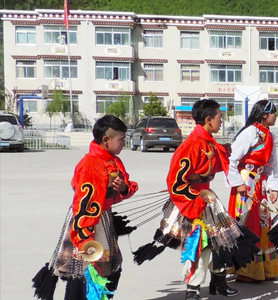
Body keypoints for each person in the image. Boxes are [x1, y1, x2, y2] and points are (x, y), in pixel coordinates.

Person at [154, 99, 254, 300]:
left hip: (207, 198)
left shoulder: (207, 141)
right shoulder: (192, 144)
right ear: (209, 119)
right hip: (194, 201)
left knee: (222, 239)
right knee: (202, 245)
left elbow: (210, 169)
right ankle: (193, 290)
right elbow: (175, 182)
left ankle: (218, 282)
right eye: (219, 117)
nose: (221, 121)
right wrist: (195, 200)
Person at [32, 115, 138, 300]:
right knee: (87, 271)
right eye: (121, 139)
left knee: (107, 270)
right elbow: (85, 205)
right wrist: (86, 240)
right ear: (106, 140)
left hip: (103, 219)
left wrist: (123, 188)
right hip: (88, 224)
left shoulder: (113, 160)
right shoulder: (90, 165)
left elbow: (126, 187)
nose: (124, 143)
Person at [226, 100, 278, 283]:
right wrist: (237, 182)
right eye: (273, 112)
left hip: (261, 184)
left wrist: (273, 187)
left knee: (263, 223)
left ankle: (263, 267)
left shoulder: (269, 136)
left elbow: (271, 164)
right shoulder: (250, 133)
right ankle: (245, 269)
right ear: (264, 115)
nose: (275, 116)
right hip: (246, 183)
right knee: (247, 223)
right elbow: (231, 159)